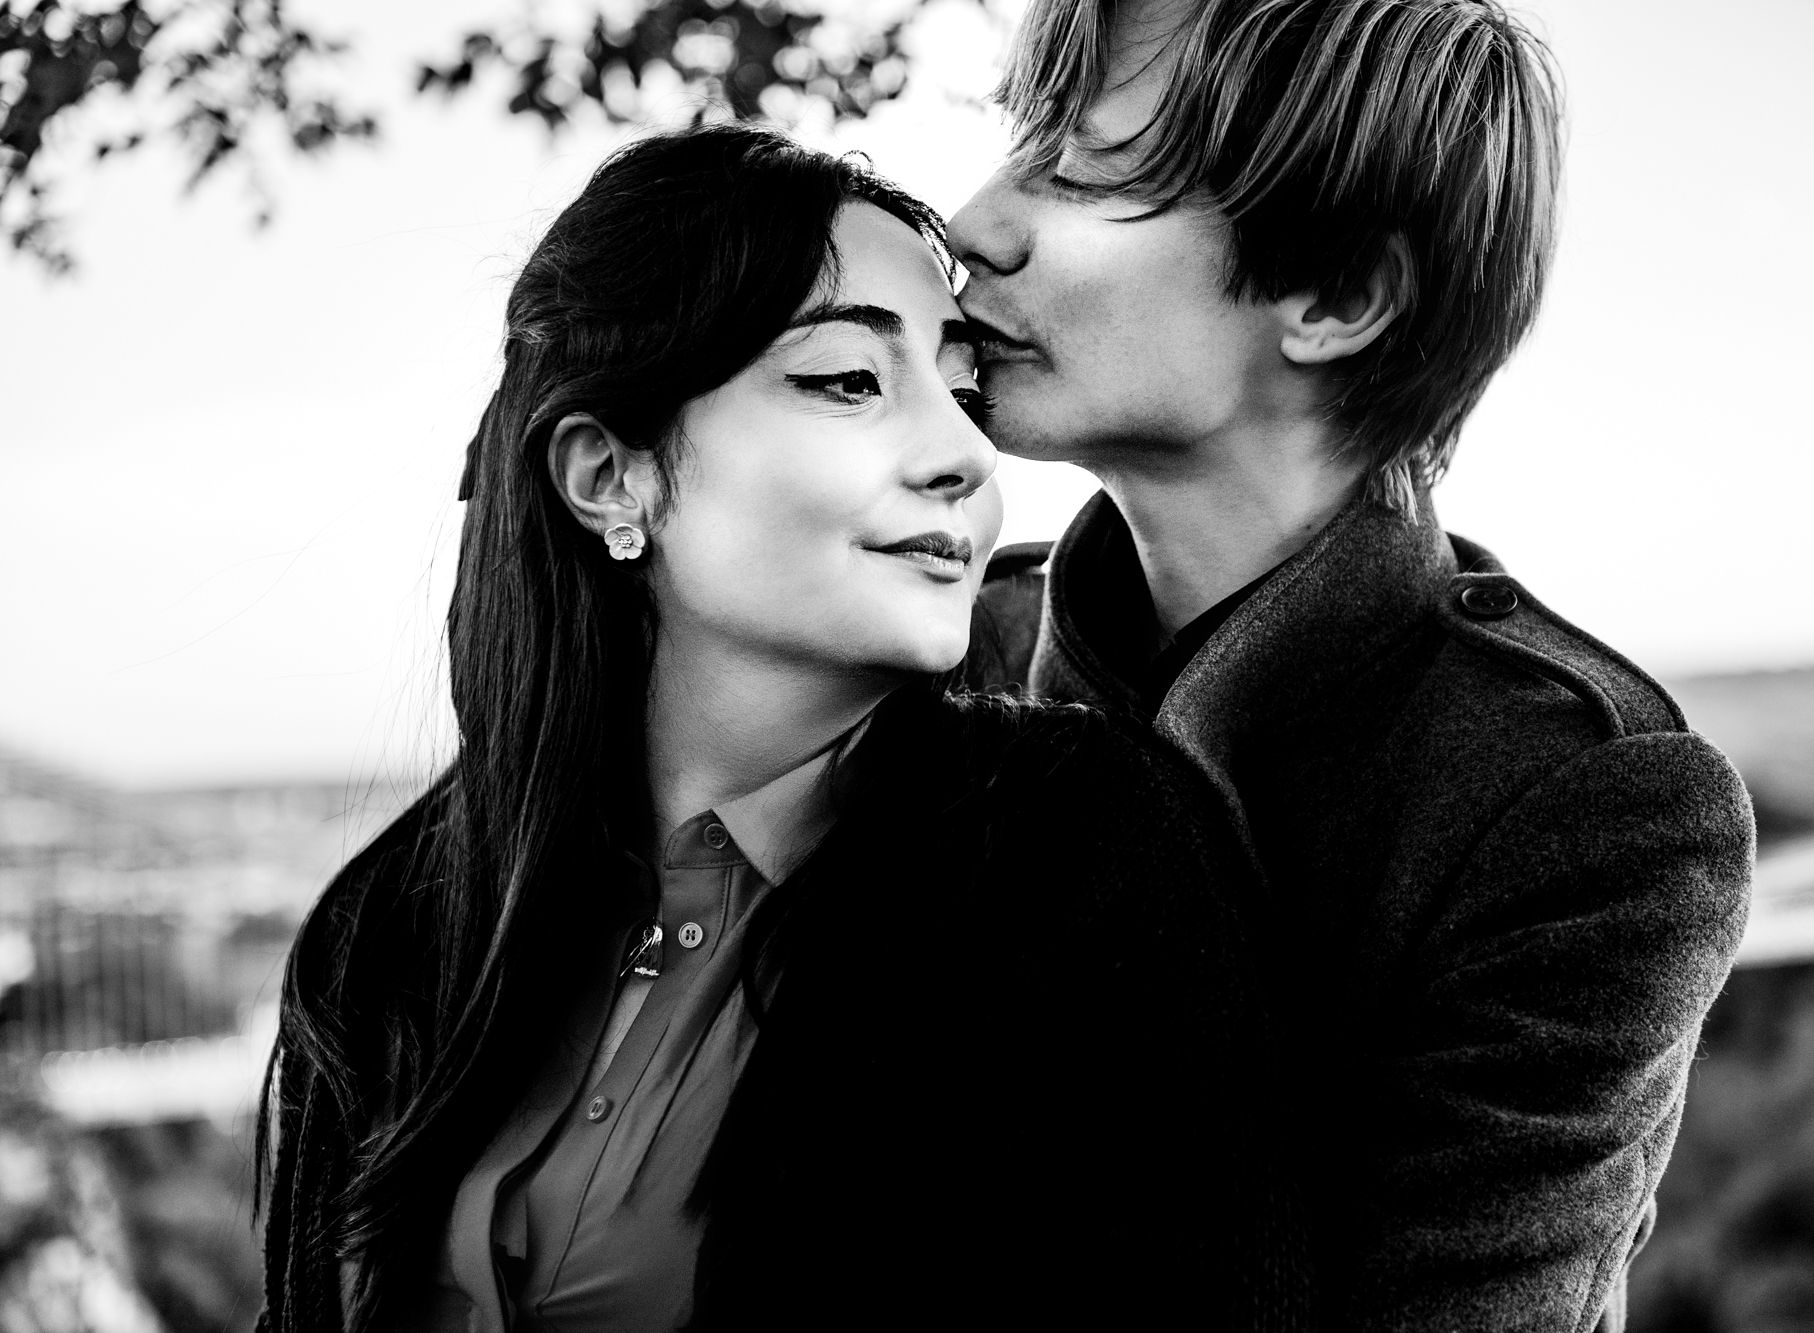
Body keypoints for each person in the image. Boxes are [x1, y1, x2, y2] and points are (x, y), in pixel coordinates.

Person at [255, 124, 1309, 1333]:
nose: (964, 454)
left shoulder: (1077, 862)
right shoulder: (388, 926)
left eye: (963, 391)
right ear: (611, 477)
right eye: (850, 381)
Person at [951, 0, 1756, 1328]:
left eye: (1092, 171)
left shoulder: (1582, 808)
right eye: (1021, 143)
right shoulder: (933, 650)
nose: (976, 222)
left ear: (1337, 297)